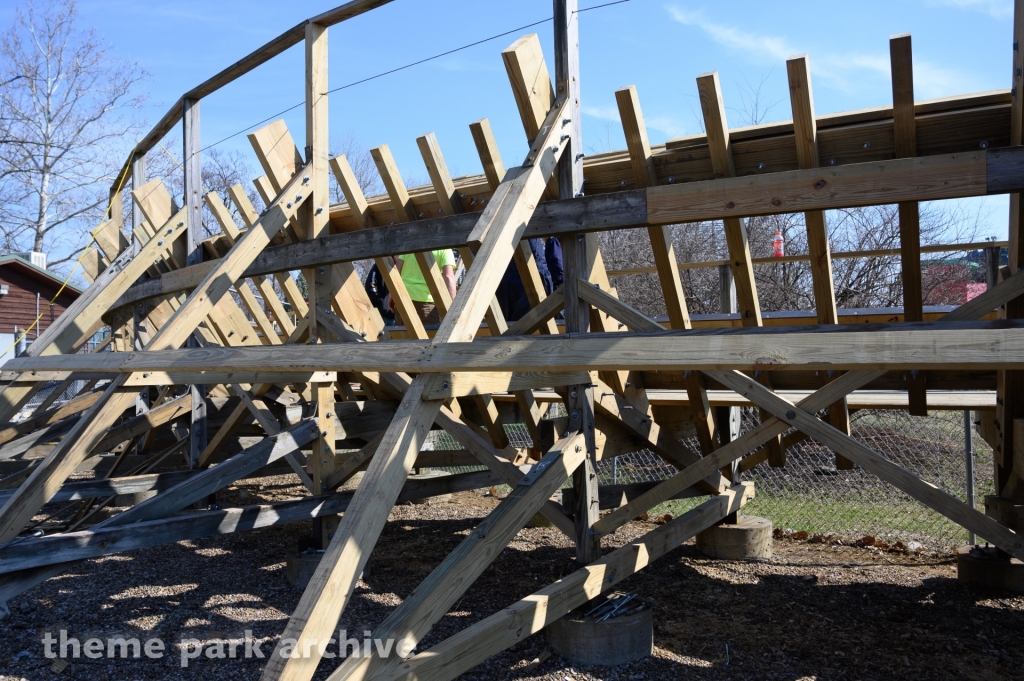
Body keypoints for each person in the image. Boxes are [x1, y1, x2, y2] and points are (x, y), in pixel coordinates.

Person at [387, 249, 458, 326]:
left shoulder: (411, 245)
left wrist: (392, 295)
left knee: (402, 335)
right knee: (430, 336)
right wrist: (452, 307)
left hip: (403, 299)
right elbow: (448, 277)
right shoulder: (445, 249)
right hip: (426, 303)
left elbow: (396, 272)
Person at [496, 238, 553, 322]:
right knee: (527, 329)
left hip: (501, 287)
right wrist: (549, 291)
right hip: (526, 290)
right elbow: (540, 266)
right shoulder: (529, 232)